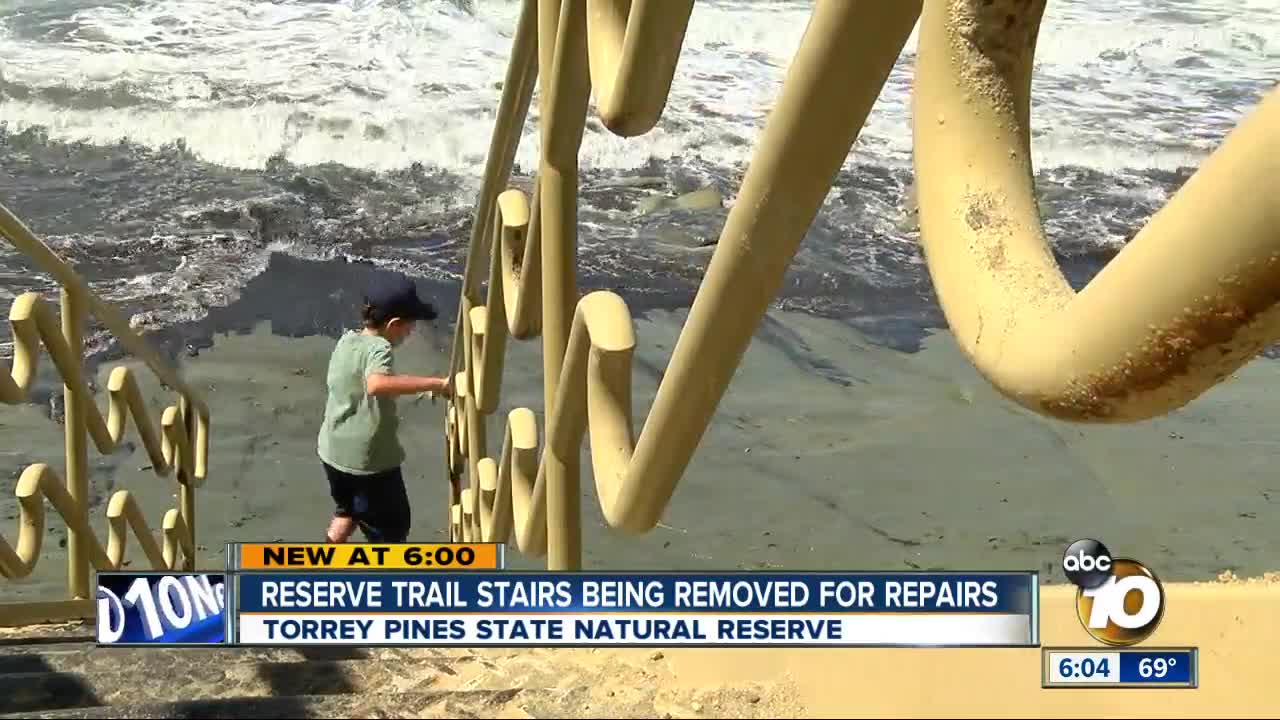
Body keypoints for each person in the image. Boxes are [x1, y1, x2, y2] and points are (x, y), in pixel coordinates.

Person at [317, 274, 451, 543]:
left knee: (349, 509)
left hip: (332, 452)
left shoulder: (346, 341)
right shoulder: (380, 348)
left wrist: (418, 390)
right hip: (369, 463)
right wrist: (437, 383)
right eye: (410, 326)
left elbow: (357, 386)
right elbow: (376, 384)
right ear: (394, 324)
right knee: (392, 530)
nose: (411, 332)